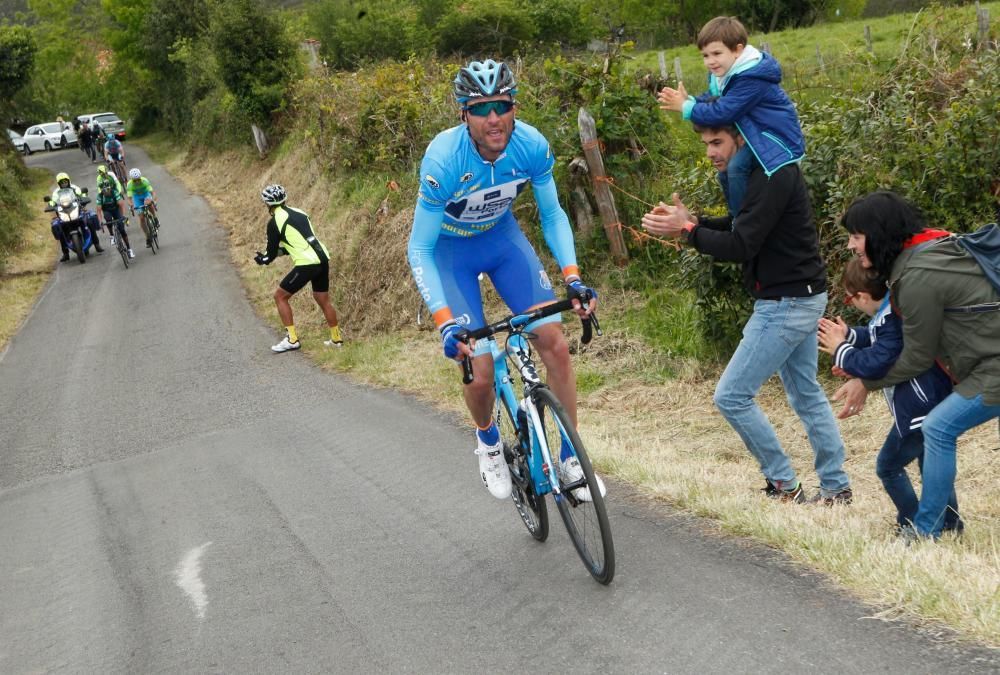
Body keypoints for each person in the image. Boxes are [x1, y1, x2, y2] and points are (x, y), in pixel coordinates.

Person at [407, 59, 603, 502]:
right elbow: (419, 248)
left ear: (514, 107)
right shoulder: (444, 159)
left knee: (553, 340)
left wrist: (572, 279)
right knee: (476, 372)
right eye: (480, 108)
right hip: (450, 255)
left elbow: (552, 215)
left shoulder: (530, 145)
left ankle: (571, 457)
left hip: (502, 241)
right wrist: (444, 322)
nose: (493, 117)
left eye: (502, 105)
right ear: (464, 114)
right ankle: (488, 442)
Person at [640, 124, 851, 504]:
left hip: (787, 304)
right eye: (705, 144)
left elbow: (741, 244)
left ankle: (784, 484)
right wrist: (696, 223)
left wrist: (688, 230)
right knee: (806, 394)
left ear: (742, 139)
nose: (710, 152)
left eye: (717, 142)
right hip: (798, 296)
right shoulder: (764, 172)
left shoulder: (773, 174)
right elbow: (745, 224)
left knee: (732, 396)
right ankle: (836, 488)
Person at [833, 191, 1000, 540]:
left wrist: (866, 380)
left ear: (878, 235)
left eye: (856, 236)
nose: (850, 245)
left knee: (938, 428)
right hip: (985, 366)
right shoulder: (930, 248)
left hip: (993, 368)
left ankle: (925, 531)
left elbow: (917, 356)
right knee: (937, 431)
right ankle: (946, 525)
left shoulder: (917, 276)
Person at [818, 258, 961, 533]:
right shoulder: (892, 312)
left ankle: (912, 520)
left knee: (888, 467)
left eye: (849, 300)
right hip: (932, 403)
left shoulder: (889, 319)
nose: (852, 304)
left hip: (919, 410)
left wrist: (840, 350)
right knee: (931, 466)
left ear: (860, 296)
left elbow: (875, 362)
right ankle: (949, 522)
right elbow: (876, 338)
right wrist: (848, 335)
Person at [657, 16, 804, 217]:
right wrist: (690, 100)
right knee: (724, 173)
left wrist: (687, 108)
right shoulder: (725, 73)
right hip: (755, 132)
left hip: (775, 138)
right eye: (705, 55)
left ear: (737, 50)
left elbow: (724, 111)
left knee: (735, 167)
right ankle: (735, 215)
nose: (710, 61)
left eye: (716, 53)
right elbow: (714, 99)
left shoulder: (750, 77)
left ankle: (742, 220)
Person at [254, 184, 344, 353]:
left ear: (267, 203)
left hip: (307, 263)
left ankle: (292, 339)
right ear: (285, 198)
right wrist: (281, 252)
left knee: (280, 296)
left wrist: (262, 259)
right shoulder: (300, 212)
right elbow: (299, 242)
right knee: (322, 299)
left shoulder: (274, 223)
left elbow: (270, 255)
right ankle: (336, 338)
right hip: (322, 258)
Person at [49, 171, 103, 260]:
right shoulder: (56, 192)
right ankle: (65, 253)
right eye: (62, 182)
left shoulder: (74, 187)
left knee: (89, 221)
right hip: (64, 213)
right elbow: (53, 201)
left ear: (68, 181)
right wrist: (50, 204)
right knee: (60, 228)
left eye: (65, 181)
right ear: (59, 183)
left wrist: (84, 196)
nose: (64, 184)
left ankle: (97, 244)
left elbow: (82, 194)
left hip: (77, 211)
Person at [95, 165, 133, 258]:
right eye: (104, 190)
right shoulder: (100, 196)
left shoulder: (114, 192)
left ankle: (129, 249)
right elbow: (99, 211)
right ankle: (112, 235)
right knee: (107, 218)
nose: (106, 192)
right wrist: (100, 221)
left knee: (122, 229)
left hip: (116, 209)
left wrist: (123, 216)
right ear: (102, 190)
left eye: (107, 189)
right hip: (107, 210)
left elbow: (121, 204)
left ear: (110, 188)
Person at [126, 168, 156, 248]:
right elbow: (129, 198)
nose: (137, 181)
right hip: (137, 198)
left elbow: (152, 193)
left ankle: (155, 218)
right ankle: (147, 237)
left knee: (148, 204)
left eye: (138, 179)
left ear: (140, 177)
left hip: (146, 194)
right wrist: (131, 205)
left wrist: (152, 200)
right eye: (135, 180)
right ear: (132, 179)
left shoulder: (145, 181)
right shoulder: (129, 184)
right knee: (142, 218)